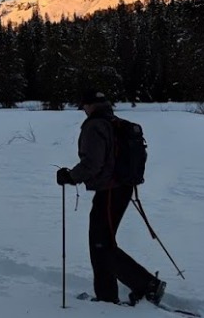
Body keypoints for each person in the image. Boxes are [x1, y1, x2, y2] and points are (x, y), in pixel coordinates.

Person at [56, 89, 165, 306]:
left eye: (84, 105)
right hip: (120, 188)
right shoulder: (114, 122)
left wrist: (70, 176)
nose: (83, 109)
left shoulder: (95, 125)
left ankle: (147, 285)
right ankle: (107, 295)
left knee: (101, 243)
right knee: (101, 241)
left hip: (110, 190)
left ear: (89, 106)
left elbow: (93, 163)